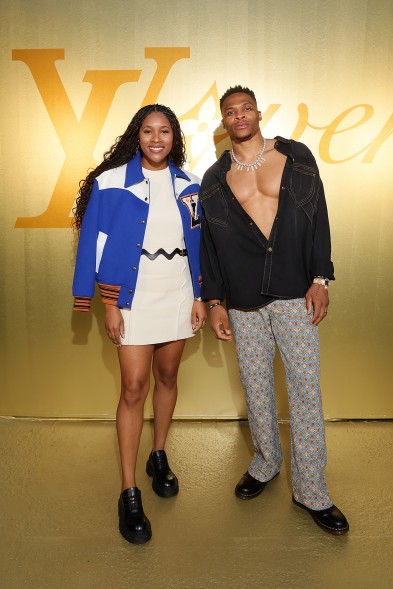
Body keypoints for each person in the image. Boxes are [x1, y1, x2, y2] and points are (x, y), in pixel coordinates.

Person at [200, 85, 349, 535]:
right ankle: (266, 464)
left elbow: (318, 214)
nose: (239, 116)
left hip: (292, 291)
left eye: (246, 108)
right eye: (230, 111)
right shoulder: (214, 178)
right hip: (244, 299)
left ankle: (312, 491)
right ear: (224, 122)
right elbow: (210, 244)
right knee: (257, 388)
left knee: (305, 390)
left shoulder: (296, 156)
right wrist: (214, 302)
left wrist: (320, 277)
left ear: (259, 113)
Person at [72, 104, 206, 544]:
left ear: (174, 138)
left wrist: (202, 295)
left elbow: (201, 243)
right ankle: (128, 489)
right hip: (132, 297)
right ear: (137, 135)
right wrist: (106, 304)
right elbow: (93, 241)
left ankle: (158, 454)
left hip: (177, 293)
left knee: (168, 374)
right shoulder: (109, 183)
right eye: (148, 130)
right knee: (134, 387)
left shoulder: (191, 185)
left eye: (164, 131)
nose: (156, 138)